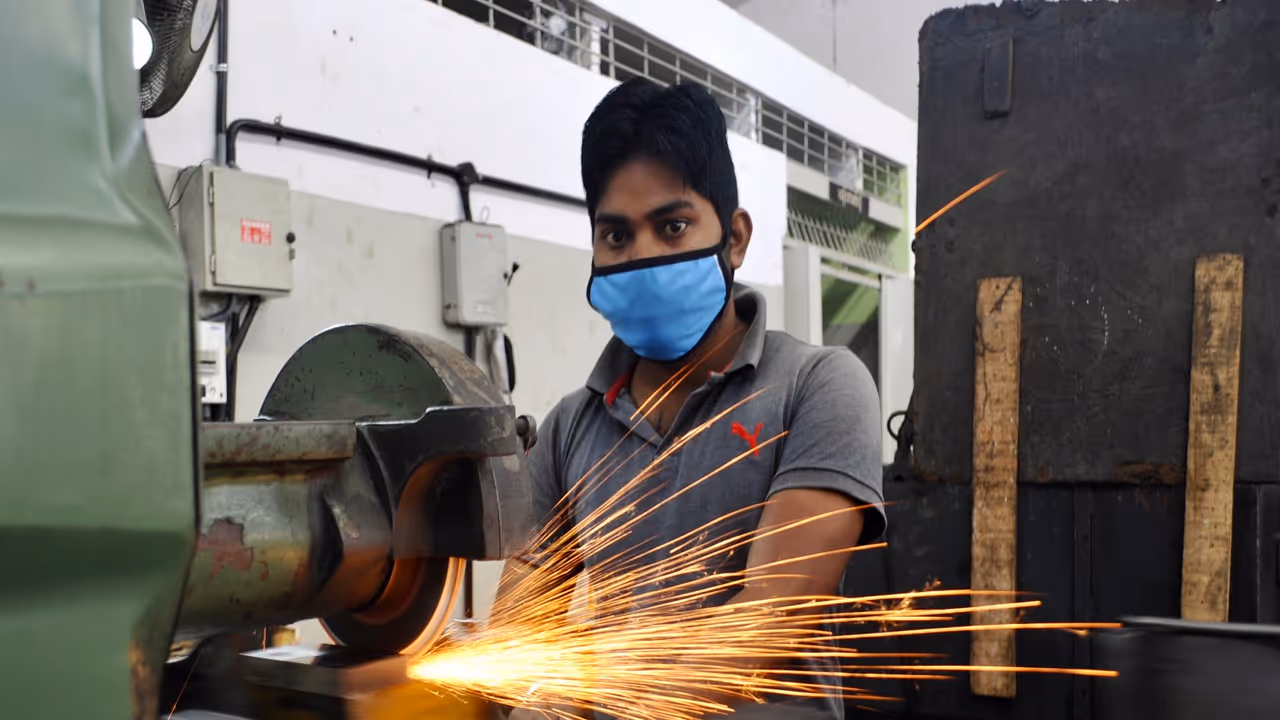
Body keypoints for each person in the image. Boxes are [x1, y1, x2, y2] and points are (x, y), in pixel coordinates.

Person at [501, 77, 885, 720]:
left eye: (672, 226)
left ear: (734, 238)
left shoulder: (817, 386)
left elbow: (762, 625)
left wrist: (587, 677)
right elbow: (521, 621)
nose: (642, 255)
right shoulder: (570, 426)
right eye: (616, 236)